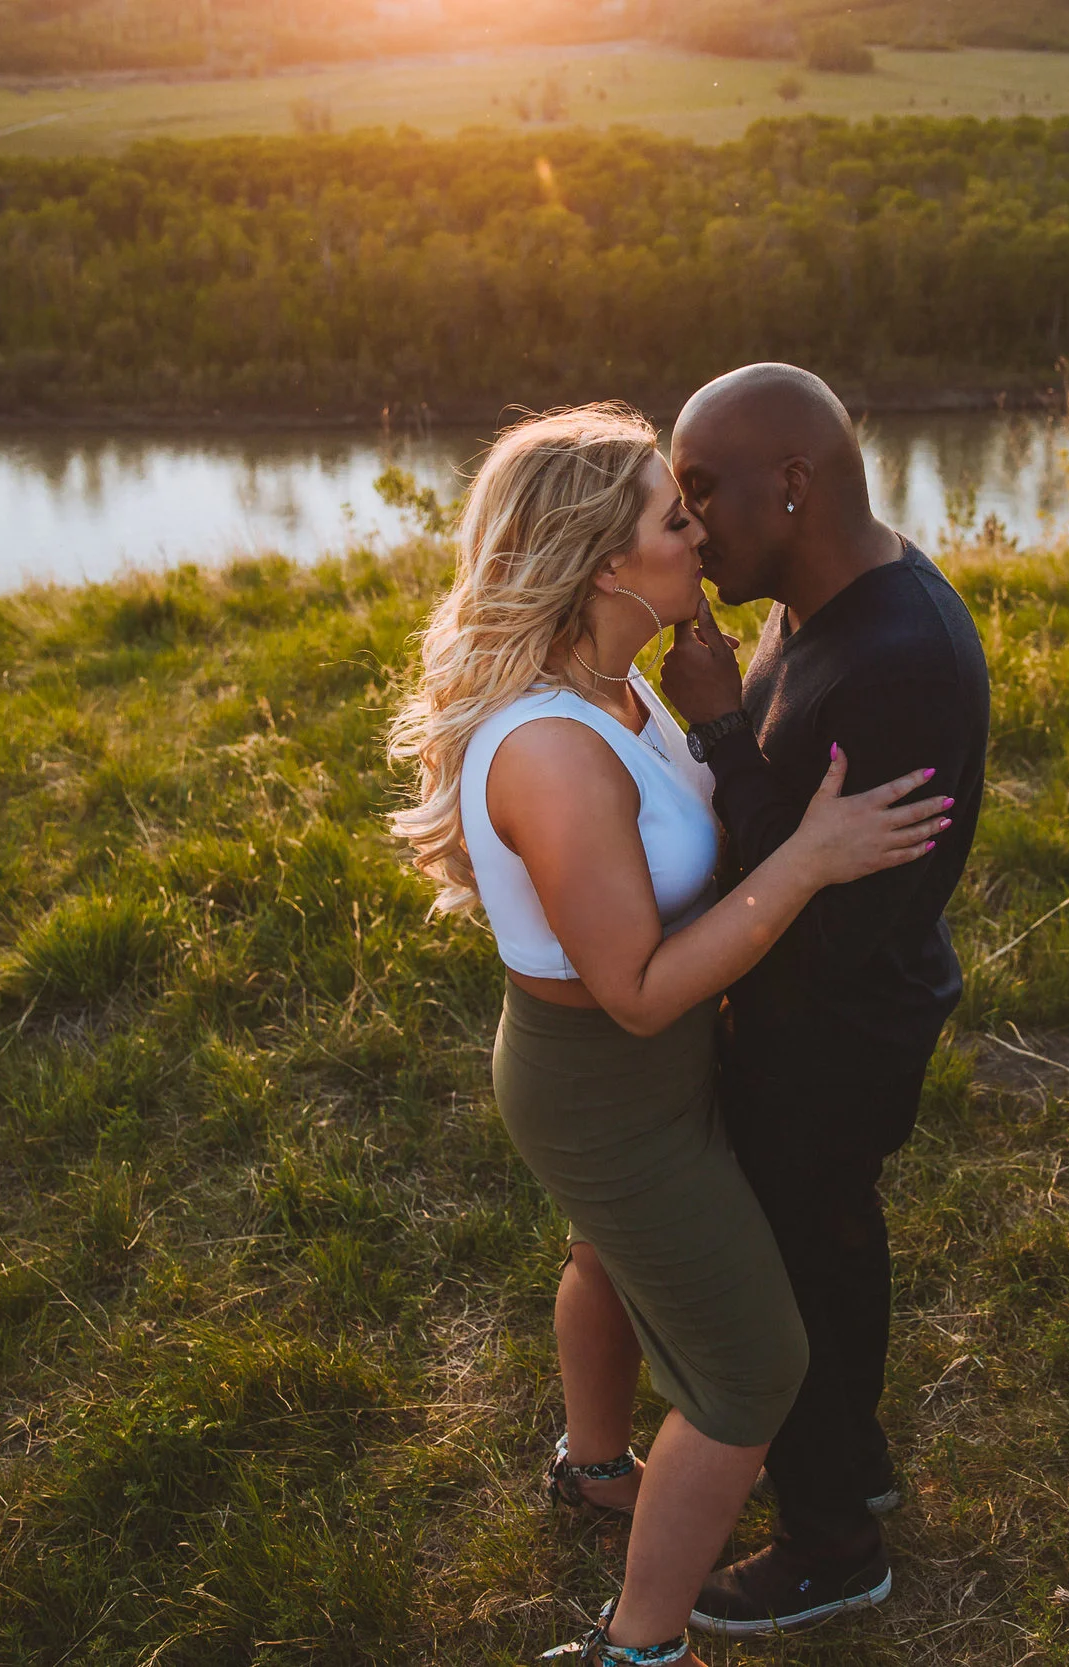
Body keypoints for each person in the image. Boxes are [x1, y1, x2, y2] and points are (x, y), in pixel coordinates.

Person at [387, 403, 959, 1666]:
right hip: (608, 1081)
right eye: (671, 514)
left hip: (646, 1065)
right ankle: (639, 1647)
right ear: (602, 559)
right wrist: (805, 858)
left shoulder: (614, 678)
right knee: (753, 1371)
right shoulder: (548, 748)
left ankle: (594, 1467)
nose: (698, 530)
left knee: (602, 1254)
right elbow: (639, 989)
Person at [658, 364, 991, 1637]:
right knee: (832, 1247)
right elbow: (797, 848)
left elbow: (815, 909)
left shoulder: (897, 659)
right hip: (825, 1016)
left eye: (702, 494)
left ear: (792, 485)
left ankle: (830, 1539)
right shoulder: (820, 603)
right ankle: (855, 1458)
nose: (690, 527)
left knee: (790, 1275)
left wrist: (719, 732)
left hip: (833, 1032)